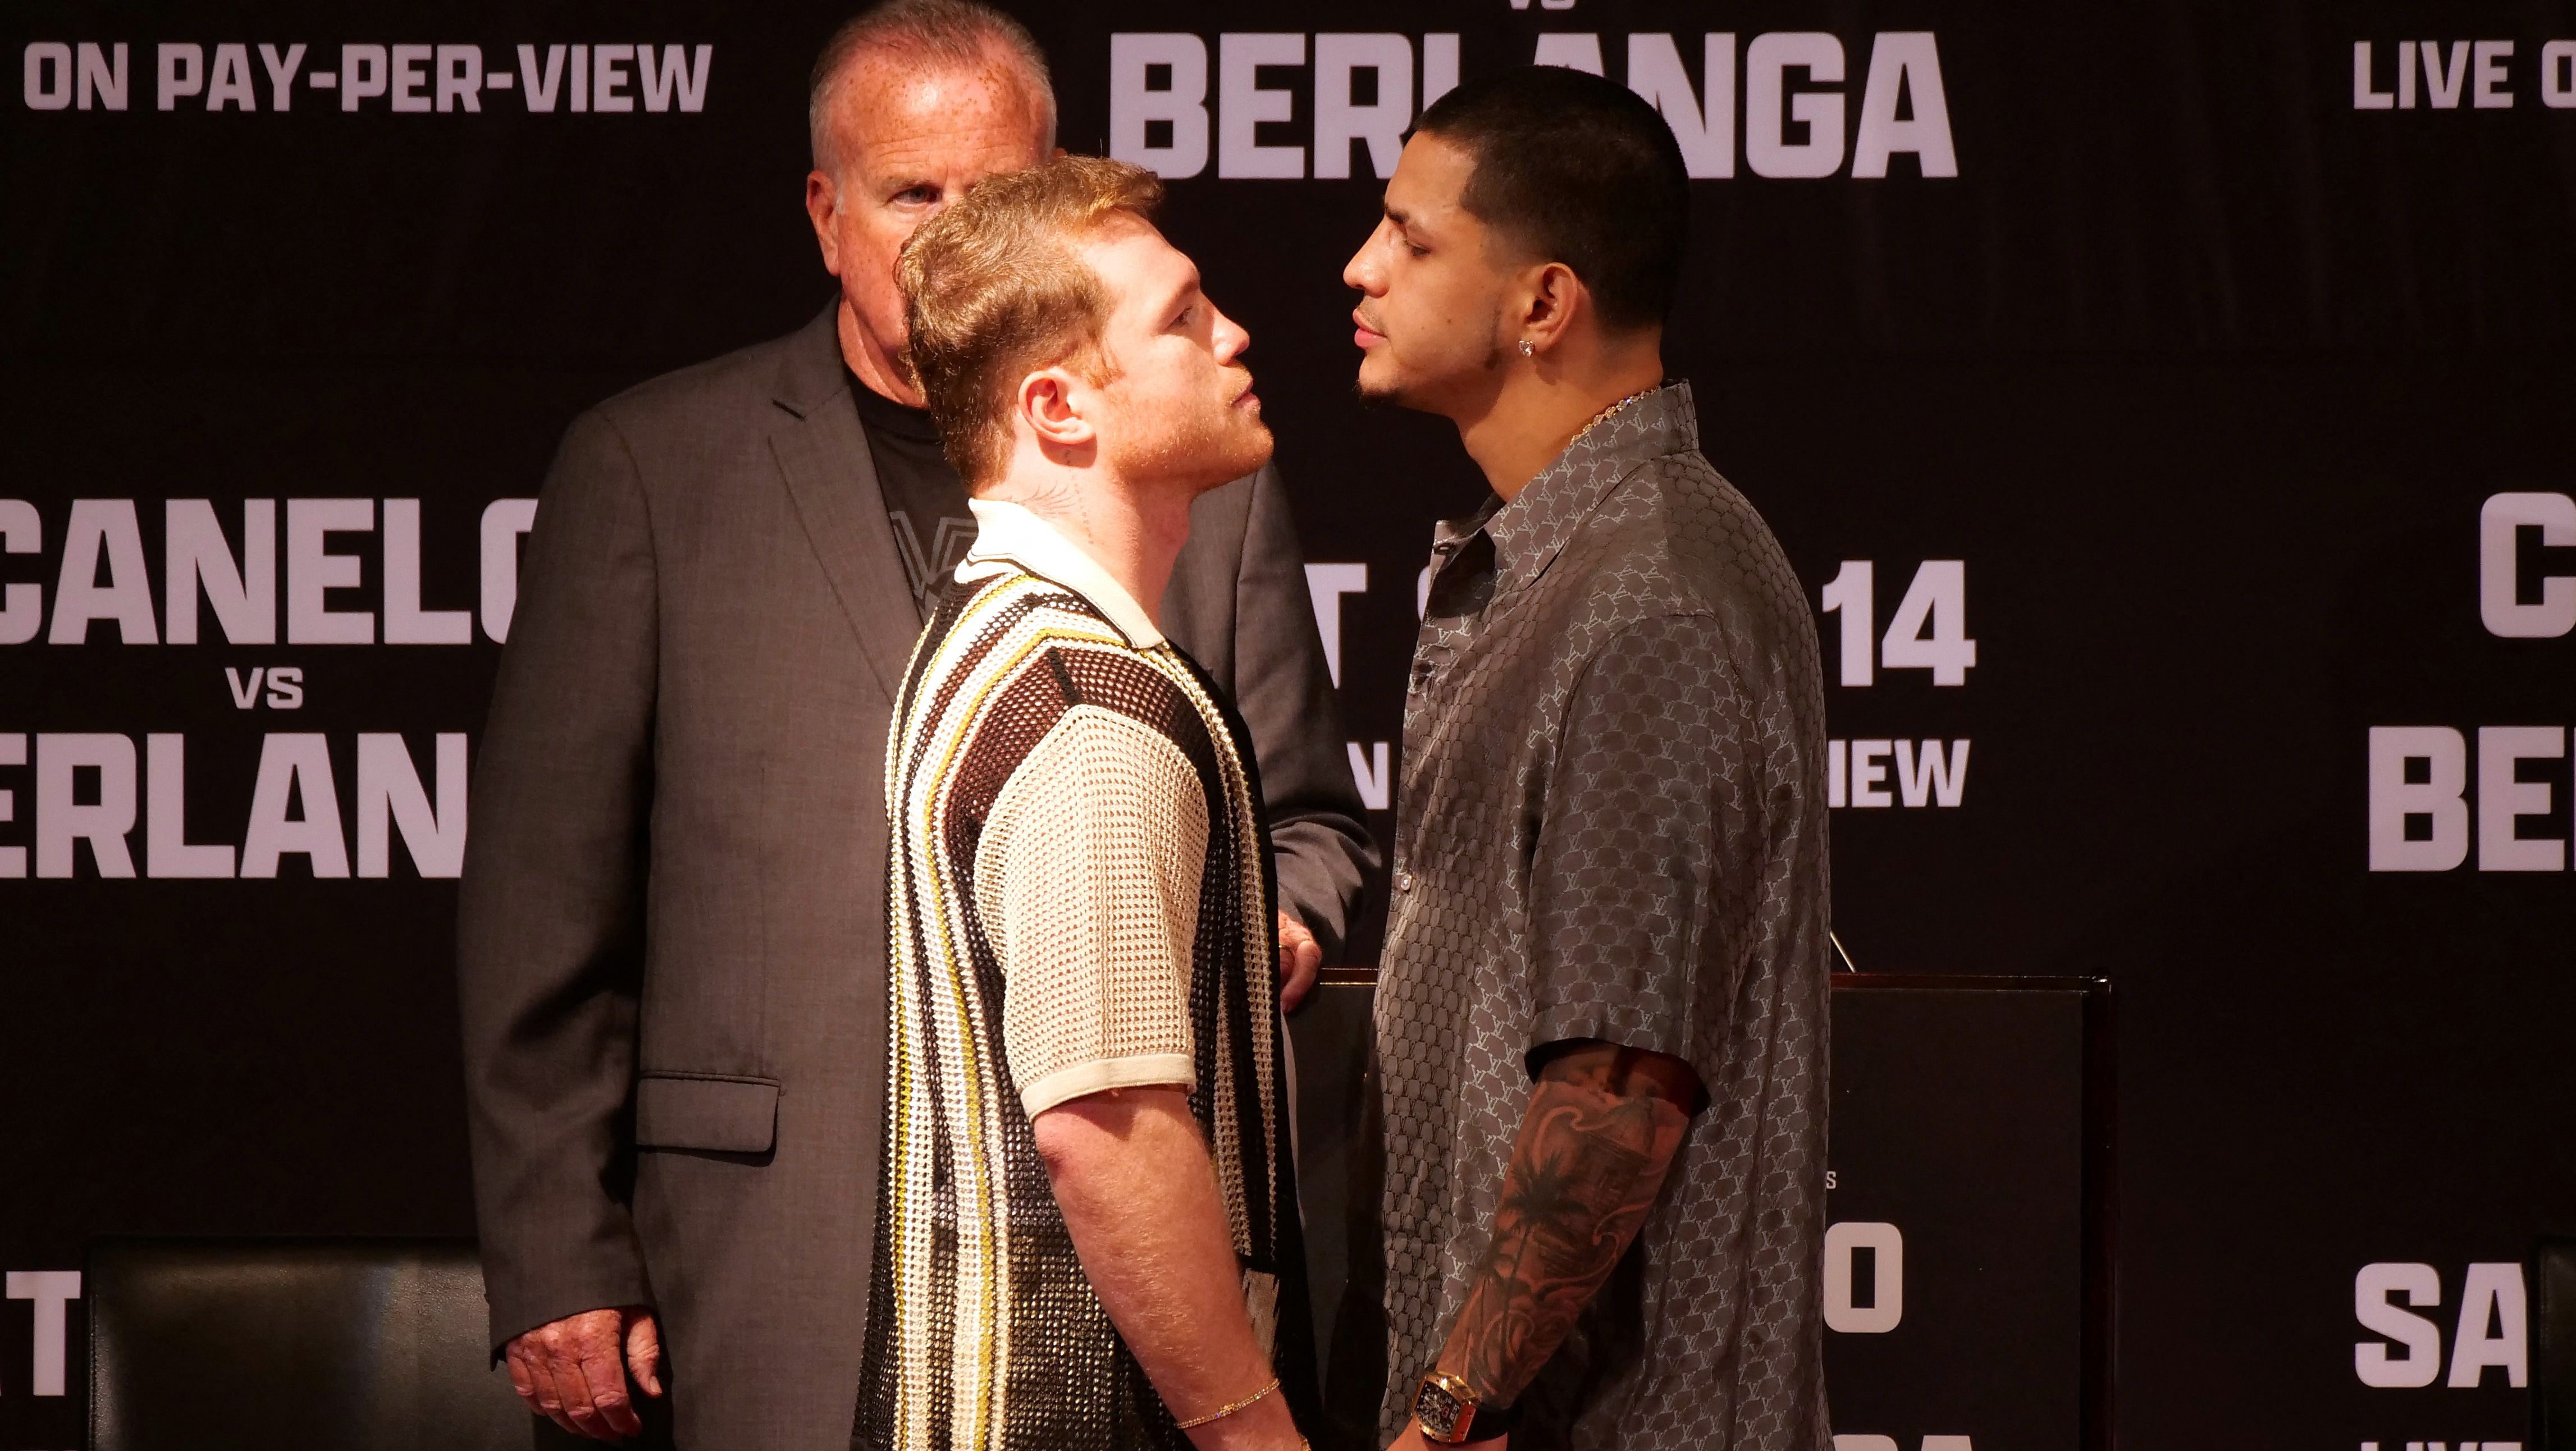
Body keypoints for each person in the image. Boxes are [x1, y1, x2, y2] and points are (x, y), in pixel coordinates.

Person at [455, 3, 1372, 1445]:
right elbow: (542, 892)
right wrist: (558, 1248)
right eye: (910, 195)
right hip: (776, 1238)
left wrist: (1254, 926)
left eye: (993, 195)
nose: (951, 236)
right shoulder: (653, 467)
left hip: (1102, 1261)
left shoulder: (1196, 475)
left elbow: (1305, 821)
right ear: (826, 214)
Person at [1341, 67, 1831, 1450]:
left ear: (1541, 303)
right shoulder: (1564, 569)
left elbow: (1621, 1084)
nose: (1359, 266)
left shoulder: (1654, 599)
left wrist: (1452, 1404)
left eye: (1411, 238)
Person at [860, 152, 1314, 1451]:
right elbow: (1106, 1138)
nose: (1230, 335)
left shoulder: (991, 638)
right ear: (1058, 407)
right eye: (1177, 318)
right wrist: (1254, 1439)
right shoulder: (1082, 709)